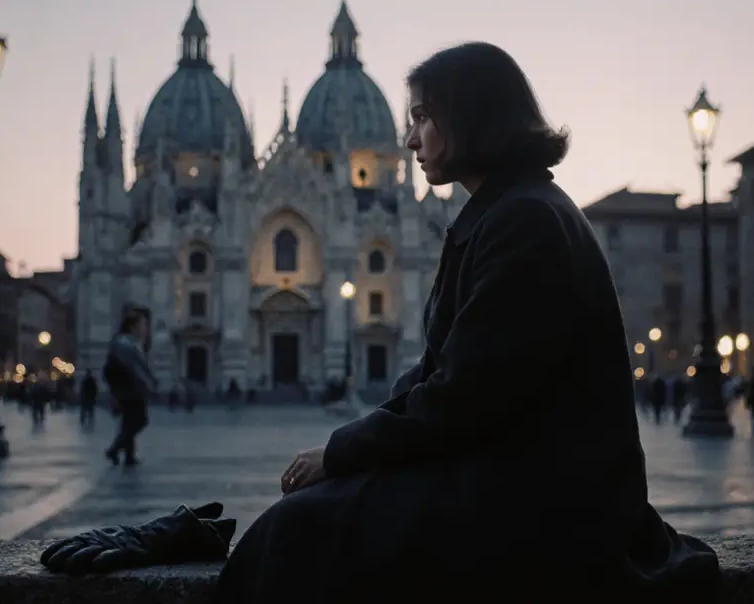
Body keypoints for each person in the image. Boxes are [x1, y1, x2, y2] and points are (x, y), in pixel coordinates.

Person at [213, 42, 719, 603]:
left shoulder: (524, 220)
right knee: (317, 511)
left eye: (422, 118)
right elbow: (440, 376)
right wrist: (347, 449)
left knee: (300, 529)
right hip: (519, 477)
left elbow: (462, 394)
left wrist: (340, 453)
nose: (410, 141)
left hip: (548, 503)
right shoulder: (509, 211)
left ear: (470, 116)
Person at [103, 308, 157, 467]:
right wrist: (149, 381)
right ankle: (114, 449)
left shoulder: (123, 343)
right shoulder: (124, 344)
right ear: (133, 327)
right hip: (129, 389)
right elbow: (135, 367)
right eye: (142, 326)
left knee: (128, 422)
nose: (144, 330)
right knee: (139, 420)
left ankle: (128, 457)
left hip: (126, 389)